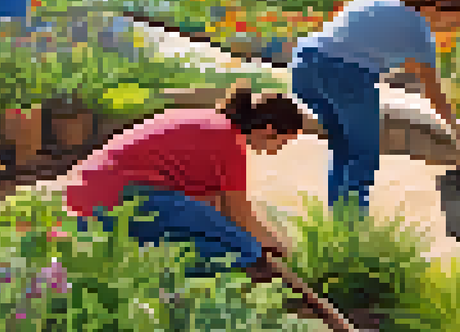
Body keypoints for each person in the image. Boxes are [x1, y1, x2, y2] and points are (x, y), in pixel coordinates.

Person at [61, 83, 302, 282]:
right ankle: (161, 278)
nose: (278, 150)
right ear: (269, 129)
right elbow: (240, 218)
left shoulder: (210, 122)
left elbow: (215, 210)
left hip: (86, 195)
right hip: (123, 195)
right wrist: (278, 246)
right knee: (245, 250)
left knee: (226, 238)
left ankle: (144, 264)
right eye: (282, 142)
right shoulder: (230, 142)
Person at [289, 0, 460, 211]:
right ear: (439, 7)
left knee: (344, 148)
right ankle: (351, 227)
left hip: (304, 66)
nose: (448, 28)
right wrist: (458, 132)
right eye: (450, 22)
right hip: (344, 74)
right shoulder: (416, 28)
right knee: (363, 155)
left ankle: (340, 225)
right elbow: (432, 90)